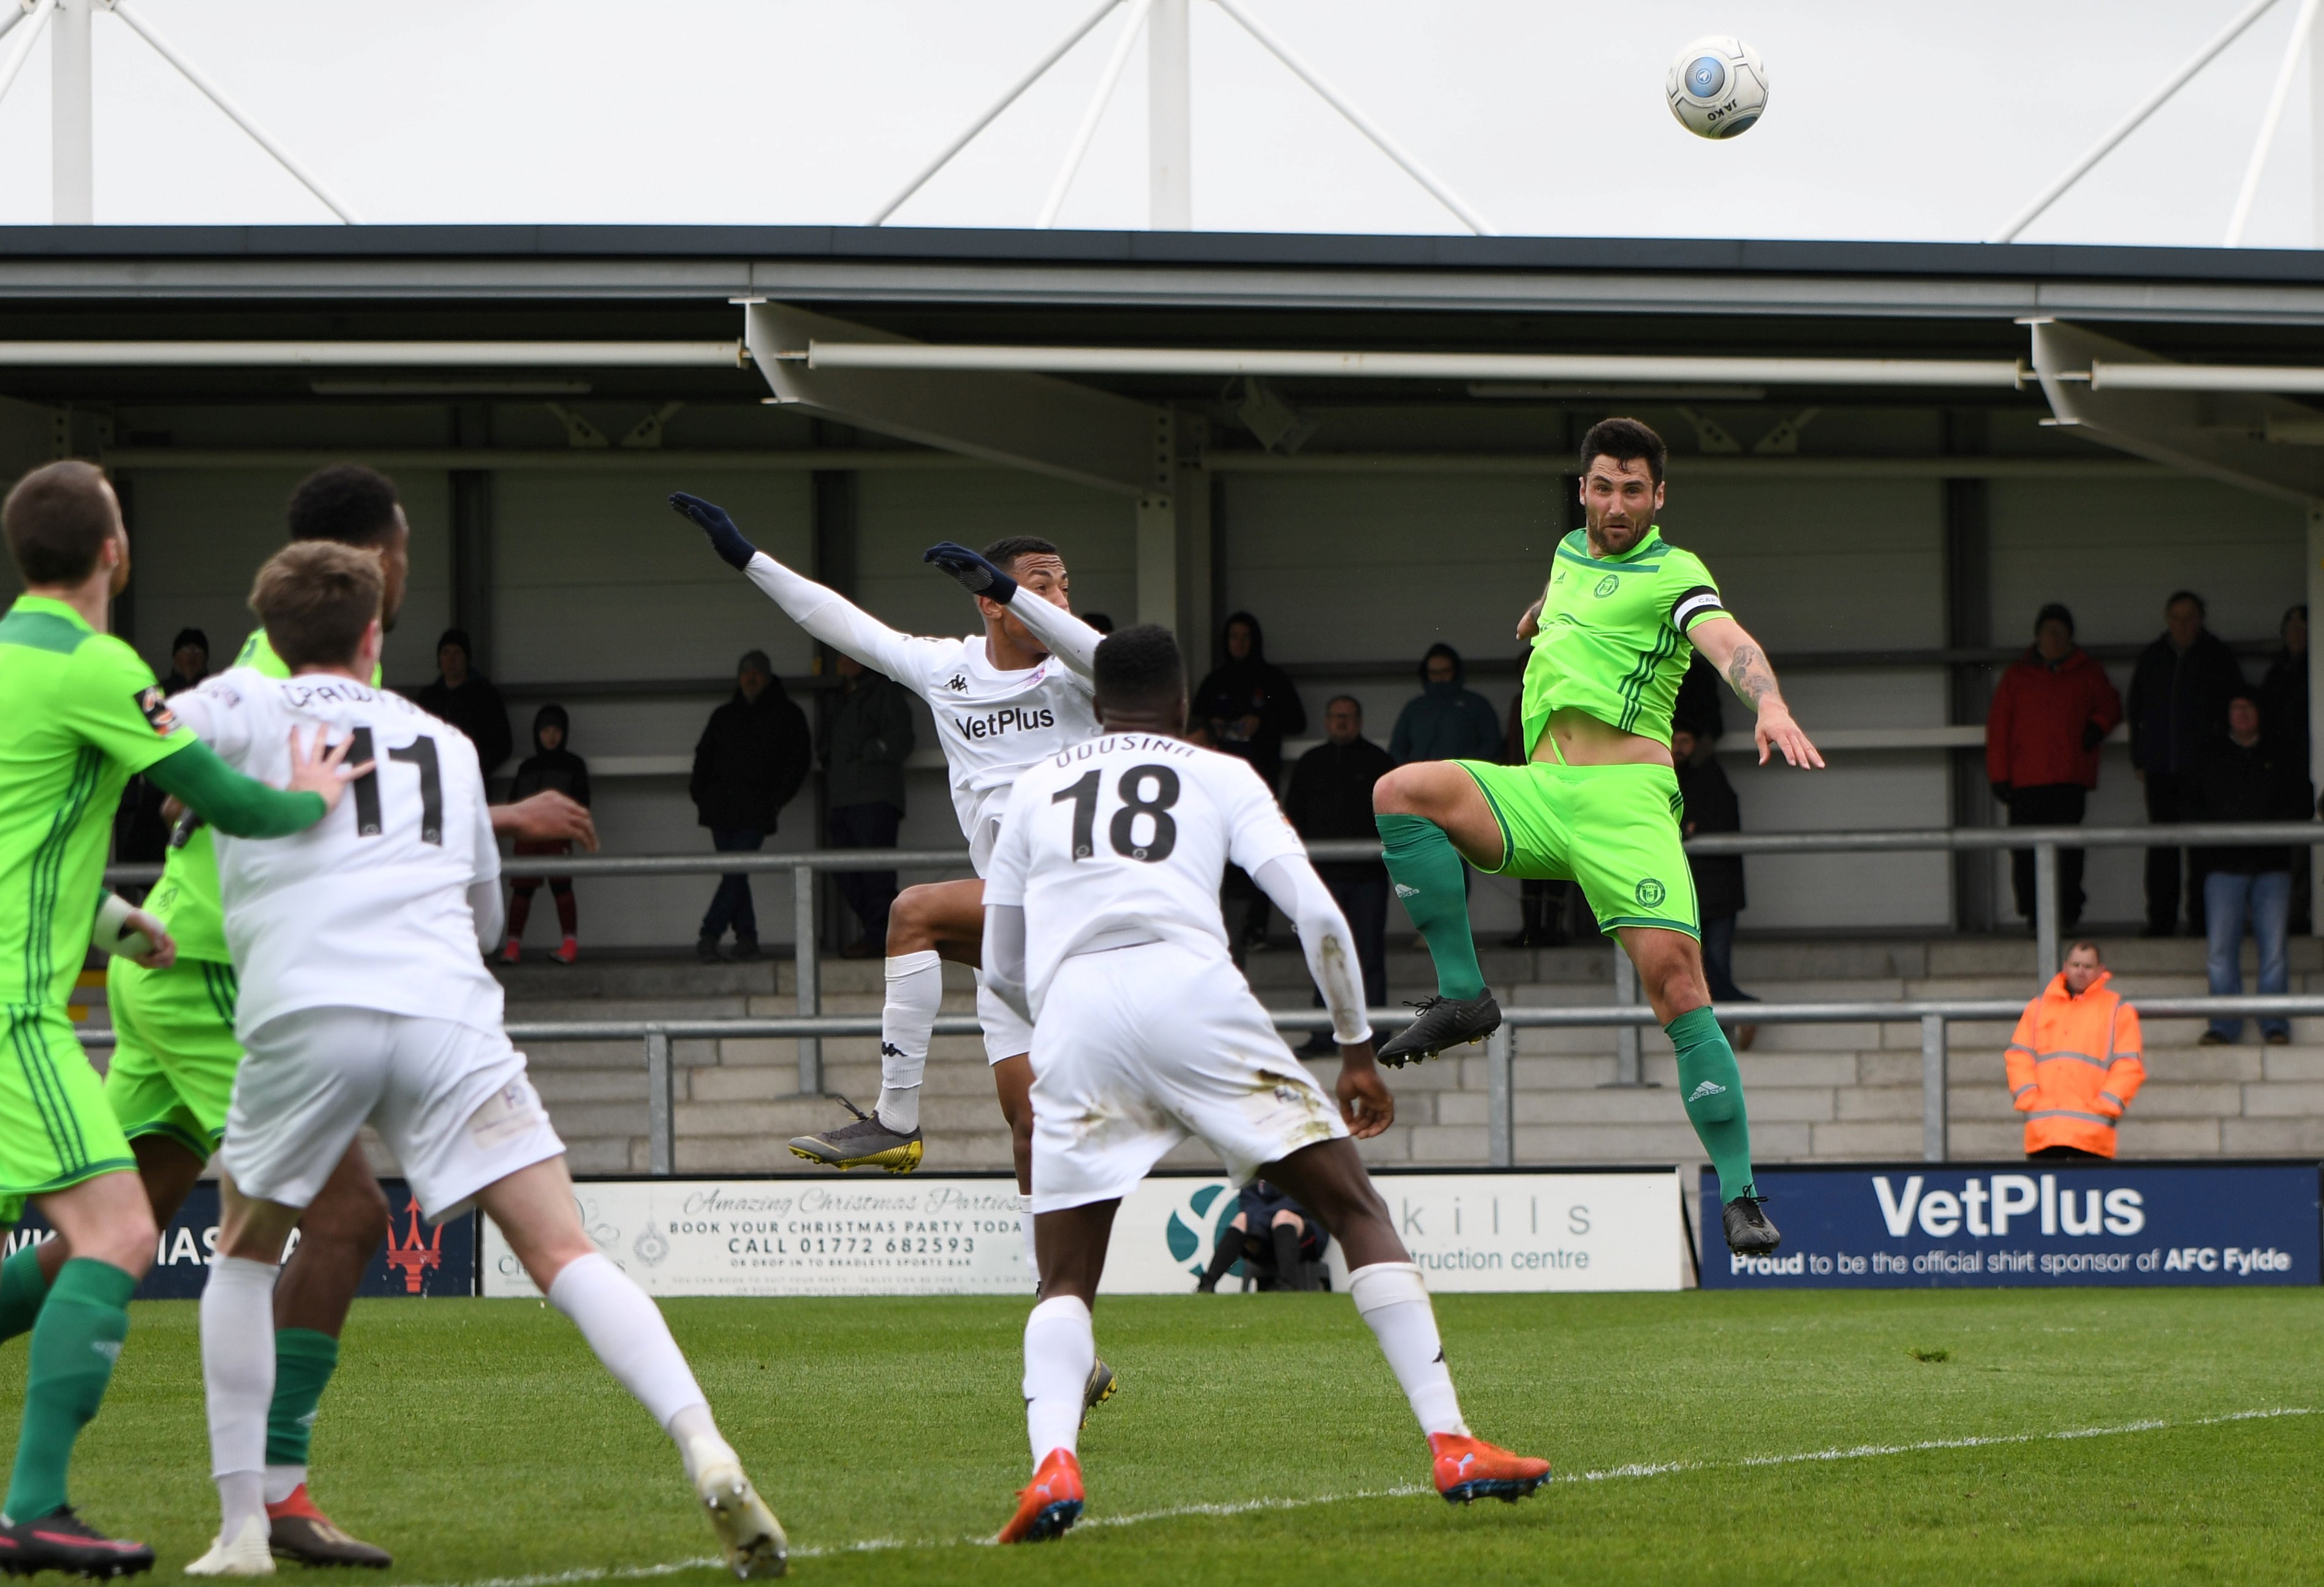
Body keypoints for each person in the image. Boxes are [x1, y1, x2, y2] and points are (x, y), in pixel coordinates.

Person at [172, 541, 784, 1579]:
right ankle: (702, 1441)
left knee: (240, 1247)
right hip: (447, 1012)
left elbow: (136, 735)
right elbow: (490, 912)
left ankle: (241, 1530)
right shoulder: (446, 744)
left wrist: (190, 787)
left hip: (308, 1009)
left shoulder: (240, 703)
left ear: (270, 639)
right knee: (563, 1250)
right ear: (374, 635)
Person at [84, 461, 597, 1568]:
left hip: (180, 968)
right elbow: (261, 776)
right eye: (405, 547)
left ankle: (259, 1495)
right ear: (378, 566)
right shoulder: (287, 667)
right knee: (352, 1217)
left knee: (107, 1236)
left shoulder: (302, 665)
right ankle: (277, 1490)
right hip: (211, 977)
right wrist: (501, 816)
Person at [982, 624, 1549, 1543]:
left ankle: (1052, 1459)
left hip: (1075, 1011)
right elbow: (1318, 913)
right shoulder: (1219, 772)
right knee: (1354, 1208)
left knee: (1065, 1275)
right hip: (1192, 989)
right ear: (1179, 706)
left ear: (1094, 705)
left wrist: (1066, 1004)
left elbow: (1003, 961)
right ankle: (1452, 1440)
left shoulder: (1033, 787)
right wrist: (1356, 1049)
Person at [0, 461, 355, 1575]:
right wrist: (315, 797)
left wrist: (111, 924)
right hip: (17, 1009)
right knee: (118, 1236)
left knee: (101, 1226)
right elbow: (230, 801)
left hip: (67, 978)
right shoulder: (101, 667)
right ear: (115, 552)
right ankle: (34, 1507)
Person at [1369, 417, 1824, 1257]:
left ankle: (1742, 1194)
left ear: (1659, 496)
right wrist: (1545, 610)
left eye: (1634, 491)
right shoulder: (1569, 551)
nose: (1617, 506)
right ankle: (1464, 996)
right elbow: (1574, 599)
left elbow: (1725, 638)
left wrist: (1768, 699)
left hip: (1625, 805)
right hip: (1542, 792)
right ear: (1583, 489)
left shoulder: (1675, 569)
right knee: (1400, 791)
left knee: (1679, 990)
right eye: (1603, 488)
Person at [1986, 604, 2124, 934]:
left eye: (2061, 632)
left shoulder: (2088, 673)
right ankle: (2035, 918)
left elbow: (2111, 704)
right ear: (2037, 636)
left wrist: (2098, 725)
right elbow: (1999, 729)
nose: (2054, 637)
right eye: (2049, 631)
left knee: (2068, 854)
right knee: (2025, 854)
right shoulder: (2017, 678)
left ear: (2070, 637)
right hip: (2026, 783)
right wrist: (1999, 776)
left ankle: (2067, 916)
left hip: (2067, 780)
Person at [2127, 591, 2246, 937]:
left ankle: (2202, 922)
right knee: (2163, 848)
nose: (2183, 625)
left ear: (2202, 620)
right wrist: (2140, 758)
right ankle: (2161, 922)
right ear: (2167, 620)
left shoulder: (2218, 657)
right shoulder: (2153, 657)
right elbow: (2137, 711)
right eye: (2177, 618)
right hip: (2161, 769)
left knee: (2202, 849)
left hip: (2204, 772)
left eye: (2190, 617)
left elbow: (2235, 711)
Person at [2189, 692, 2305, 1045]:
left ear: (2259, 713)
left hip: (2271, 864)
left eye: (2248, 707)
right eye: (2235, 708)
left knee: (2273, 951)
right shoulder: (2210, 755)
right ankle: (2225, 1025)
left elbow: (2301, 799)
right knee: (2221, 951)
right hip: (2223, 865)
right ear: (2227, 715)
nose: (2241, 714)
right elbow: (2192, 805)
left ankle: (2275, 1024)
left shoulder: (2280, 753)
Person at [1282, 695, 1394, 1056]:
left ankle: (1376, 1037)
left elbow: (1396, 816)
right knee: (1324, 955)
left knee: (1369, 957)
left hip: (1367, 878)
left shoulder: (1379, 762)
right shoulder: (1311, 763)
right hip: (1322, 881)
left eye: (1347, 717)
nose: (1341, 723)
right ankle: (1322, 1036)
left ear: (1359, 720)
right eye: (1334, 717)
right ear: (1327, 721)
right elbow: (1291, 817)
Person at [689, 651, 812, 963]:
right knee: (735, 874)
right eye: (746, 672)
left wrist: (774, 801)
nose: (751, 677)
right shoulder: (724, 716)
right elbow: (703, 757)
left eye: (757, 672)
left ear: (768, 677)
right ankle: (747, 939)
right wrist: (701, 795)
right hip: (720, 811)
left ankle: (709, 934)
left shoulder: (787, 715)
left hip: (755, 812)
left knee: (734, 873)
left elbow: (798, 763)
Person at [2005, 941, 2143, 1161]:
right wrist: (2028, 1097)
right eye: (2076, 965)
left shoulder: (2118, 1010)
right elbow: (2019, 1057)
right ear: (2065, 967)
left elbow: (2128, 1066)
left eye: (2088, 967)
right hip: (2045, 1132)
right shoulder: (2039, 1007)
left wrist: (2106, 1105)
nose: (2081, 972)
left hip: (2091, 1135)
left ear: (2101, 970)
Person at [820, 653, 916, 959]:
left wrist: (867, 754)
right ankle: (888, 932)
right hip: (842, 799)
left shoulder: (883, 691)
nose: (844, 662)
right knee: (844, 871)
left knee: (876, 875)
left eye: (850, 656)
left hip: (875, 798)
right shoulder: (840, 696)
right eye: (841, 658)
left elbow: (902, 739)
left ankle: (881, 939)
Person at [1671, 724, 1755, 1051]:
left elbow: (1709, 821)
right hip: (1695, 889)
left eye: (1685, 740)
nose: (1678, 747)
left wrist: (1690, 826)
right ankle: (1737, 1017)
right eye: (1674, 740)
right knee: (1702, 964)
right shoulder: (1674, 776)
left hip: (1714, 889)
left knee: (1710, 964)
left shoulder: (1709, 778)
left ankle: (1738, 1017)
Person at [505, 705, 591, 966]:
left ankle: (570, 944)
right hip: (528, 836)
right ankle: (512, 947)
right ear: (537, 734)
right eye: (546, 731)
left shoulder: (574, 765)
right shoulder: (527, 767)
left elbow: (583, 803)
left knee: (562, 887)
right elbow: (513, 802)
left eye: (556, 731)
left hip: (558, 835)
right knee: (521, 891)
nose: (551, 736)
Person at [1193, 611, 1305, 792]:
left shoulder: (1273, 680)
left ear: (1255, 640)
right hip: (1219, 775)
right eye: (1234, 636)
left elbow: (1297, 722)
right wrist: (1211, 727)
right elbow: (1195, 721)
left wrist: (1261, 723)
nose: (1240, 643)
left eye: (1246, 637)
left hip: (1261, 773)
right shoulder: (1214, 681)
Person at [2259, 604, 2310, 931]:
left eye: (2303, 625)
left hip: (2311, 772)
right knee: (2282, 850)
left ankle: (2300, 915)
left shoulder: (2315, 667)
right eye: (2290, 624)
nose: (2296, 630)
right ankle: (2284, 919)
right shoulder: (2277, 671)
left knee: (2304, 849)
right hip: (2279, 773)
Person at [1194, 1179, 1328, 1293]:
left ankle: (1288, 1284)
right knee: (1242, 1218)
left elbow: (1299, 1202)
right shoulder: (1255, 1170)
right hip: (1263, 1238)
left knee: (1283, 1216)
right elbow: (1248, 1203)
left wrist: (1262, 1220)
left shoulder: (1300, 1164)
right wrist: (1262, 1223)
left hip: (1305, 1240)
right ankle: (1208, 1284)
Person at [413, 627, 512, 778]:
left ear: (467, 658)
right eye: (445, 652)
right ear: (439, 659)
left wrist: (474, 768)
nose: (451, 659)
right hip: (435, 781)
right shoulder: (428, 698)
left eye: (457, 652)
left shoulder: (486, 695)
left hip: (473, 781)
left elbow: (502, 745)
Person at [1389, 643, 1502, 768]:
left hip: (1463, 778)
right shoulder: (1415, 708)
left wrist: (1467, 768)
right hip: (1422, 780)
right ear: (1426, 674)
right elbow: (1397, 748)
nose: (1440, 677)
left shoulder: (1476, 704)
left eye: (1445, 671)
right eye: (1434, 673)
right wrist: (1412, 772)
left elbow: (1492, 744)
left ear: (1455, 671)